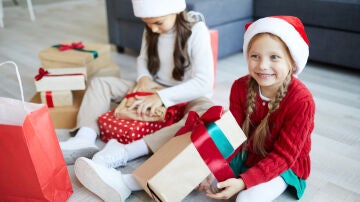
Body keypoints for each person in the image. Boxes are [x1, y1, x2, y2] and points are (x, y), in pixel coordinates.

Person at [59, 0, 215, 166]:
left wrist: (160, 97)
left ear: (175, 11)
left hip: (187, 94)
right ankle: (85, 137)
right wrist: (143, 77)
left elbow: (204, 82)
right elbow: (143, 58)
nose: (153, 29)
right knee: (100, 84)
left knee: (203, 114)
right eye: (147, 24)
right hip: (154, 86)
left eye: (157, 23)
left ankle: (127, 151)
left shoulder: (197, 30)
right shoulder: (151, 28)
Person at [203, 16, 315, 201]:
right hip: (248, 152)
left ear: (292, 63)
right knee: (205, 177)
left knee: (246, 198)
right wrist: (212, 165)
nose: (263, 65)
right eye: (255, 56)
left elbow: (285, 156)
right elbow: (232, 134)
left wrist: (242, 182)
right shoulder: (240, 86)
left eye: (274, 57)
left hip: (283, 163)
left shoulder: (302, 101)